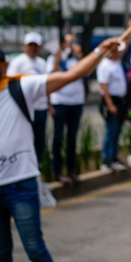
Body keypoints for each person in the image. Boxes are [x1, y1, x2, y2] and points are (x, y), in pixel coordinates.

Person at [0, 38, 120, 262]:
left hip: (21, 184)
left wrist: (100, 51)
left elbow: (72, 75)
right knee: (0, 253)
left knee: (35, 250)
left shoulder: (22, 86)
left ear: (4, 65)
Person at [46, 34, 86, 184]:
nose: (72, 45)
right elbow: (51, 77)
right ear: (62, 44)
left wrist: (81, 56)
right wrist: (57, 58)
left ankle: (71, 171)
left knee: (72, 139)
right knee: (58, 138)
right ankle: (57, 172)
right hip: (60, 102)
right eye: (69, 42)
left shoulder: (77, 59)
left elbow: (87, 72)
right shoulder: (53, 59)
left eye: (74, 42)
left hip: (76, 103)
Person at [7, 32, 49, 164]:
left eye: (35, 45)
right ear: (25, 46)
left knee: (39, 142)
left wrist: (50, 105)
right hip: (25, 110)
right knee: (25, 142)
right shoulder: (17, 62)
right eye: (30, 45)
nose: (32, 48)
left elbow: (46, 85)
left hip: (41, 108)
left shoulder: (42, 63)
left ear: (40, 47)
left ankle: (37, 173)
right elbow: (11, 85)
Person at [98, 41, 129, 172]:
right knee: (111, 130)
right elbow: (103, 86)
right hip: (111, 102)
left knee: (117, 130)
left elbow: (125, 46)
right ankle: (106, 160)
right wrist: (110, 105)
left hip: (120, 102)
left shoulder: (117, 62)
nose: (117, 52)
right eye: (114, 50)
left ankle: (114, 157)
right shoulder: (105, 65)